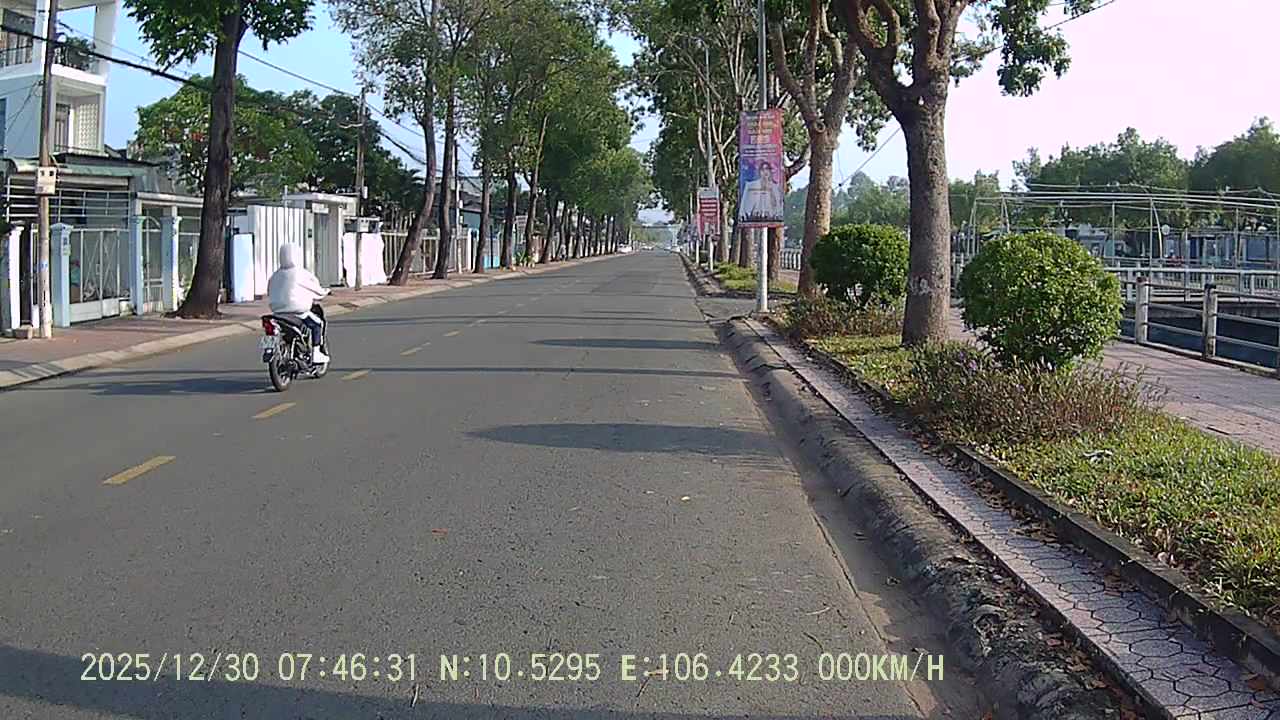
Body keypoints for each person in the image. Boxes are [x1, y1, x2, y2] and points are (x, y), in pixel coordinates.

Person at [267, 243, 330, 364]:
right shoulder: (301, 273)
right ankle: (316, 353)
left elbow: (269, 291)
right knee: (318, 324)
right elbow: (315, 289)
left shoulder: (275, 275)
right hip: (297, 311)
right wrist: (325, 291)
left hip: (277, 312)